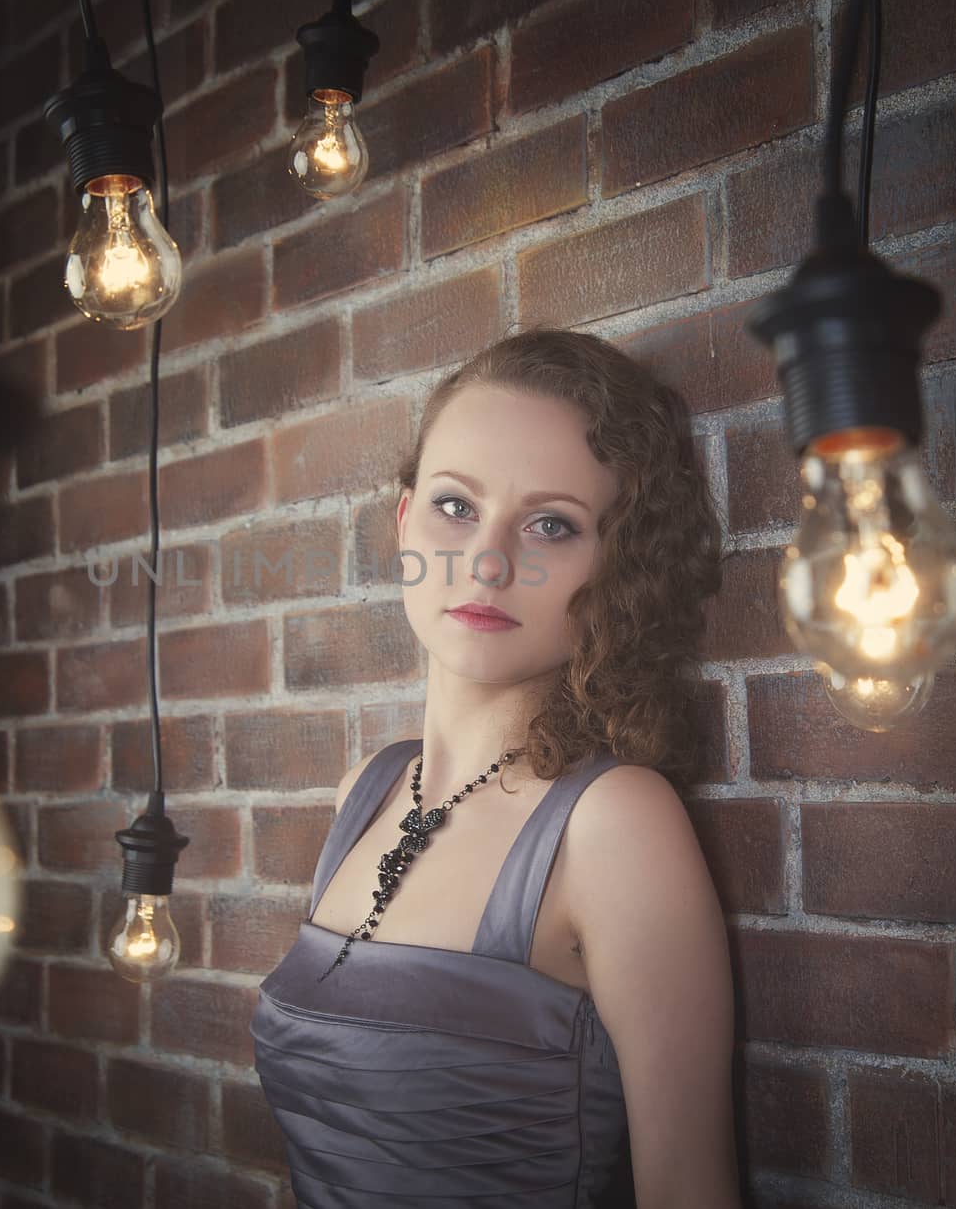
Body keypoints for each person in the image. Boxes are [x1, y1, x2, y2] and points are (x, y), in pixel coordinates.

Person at [250, 330, 740, 1207]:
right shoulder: (364, 792)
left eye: (551, 524)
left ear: (615, 562)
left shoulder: (614, 823)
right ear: (403, 524)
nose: (485, 562)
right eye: (454, 506)